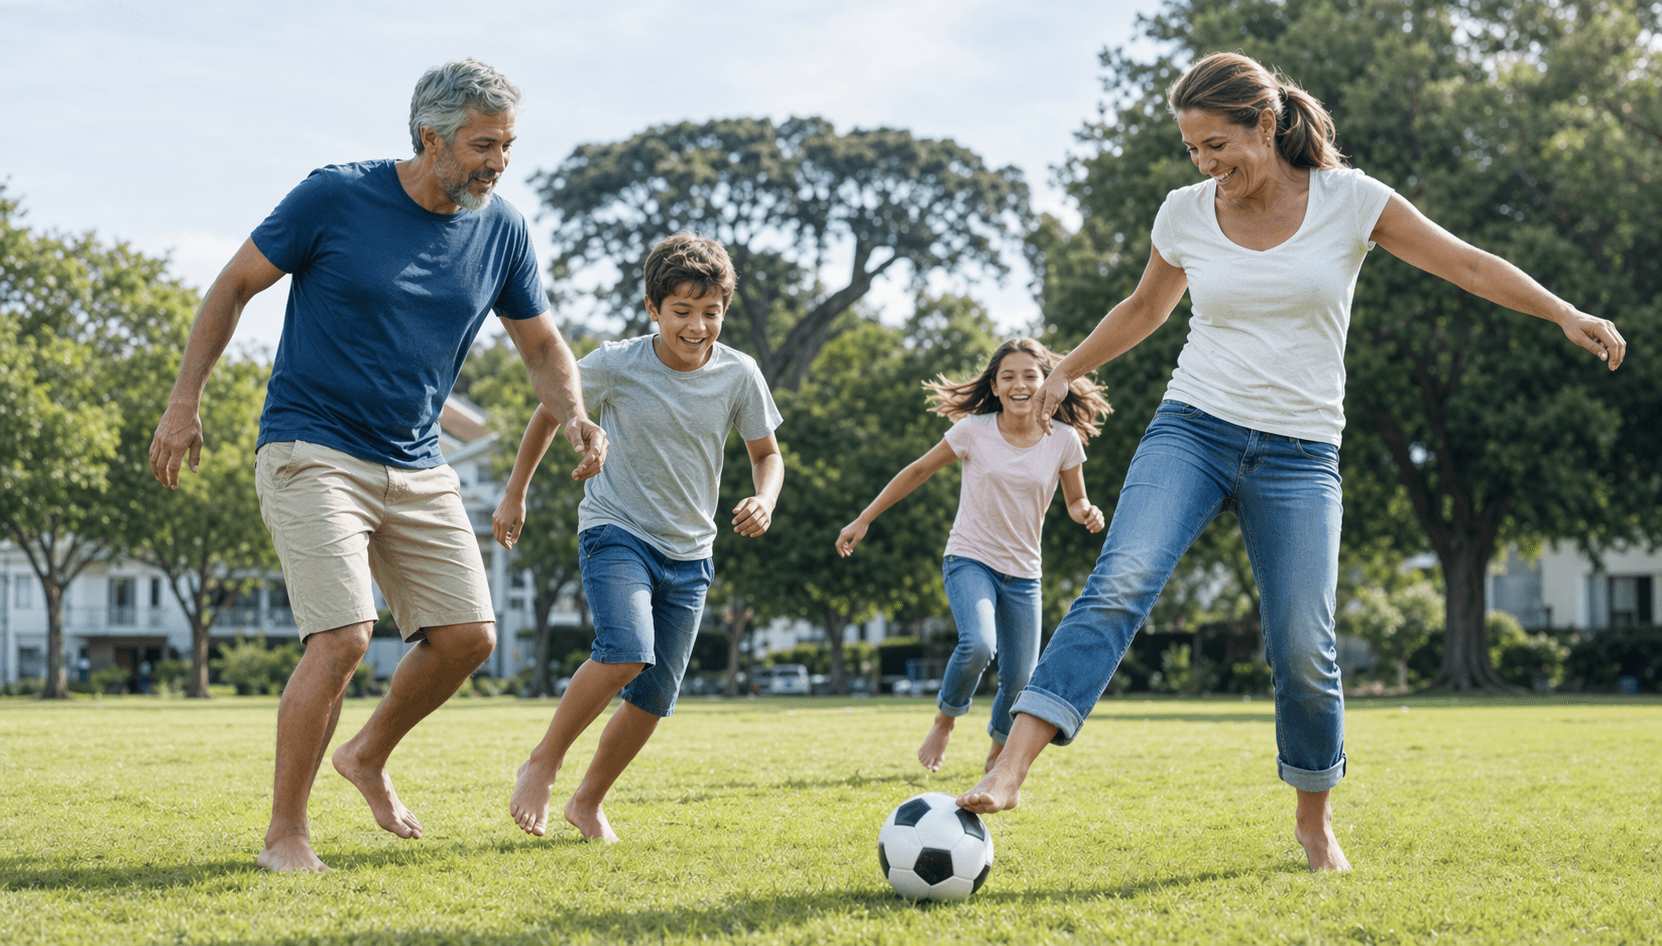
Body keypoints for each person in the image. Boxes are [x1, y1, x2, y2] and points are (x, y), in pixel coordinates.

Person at [955, 52, 1626, 872]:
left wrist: (1562, 312)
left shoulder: (1352, 201)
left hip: (1301, 452)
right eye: (1192, 149)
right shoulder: (1185, 212)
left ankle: (1314, 819)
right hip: (1193, 428)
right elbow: (1145, 307)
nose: (1205, 164)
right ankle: (1011, 766)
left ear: (1265, 125)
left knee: (1305, 641)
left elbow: (1467, 262)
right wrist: (1064, 370)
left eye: (1217, 145)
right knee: (1120, 582)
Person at [147, 60, 608, 872]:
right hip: (312, 447)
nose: (498, 162)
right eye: (482, 145)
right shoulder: (335, 196)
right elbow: (233, 286)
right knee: (343, 637)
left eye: (507, 145)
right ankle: (286, 834)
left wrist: (572, 411)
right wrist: (184, 402)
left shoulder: (501, 230)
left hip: (417, 459)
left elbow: (541, 345)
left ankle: (365, 754)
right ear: (431, 138)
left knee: (468, 637)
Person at [494, 232, 783, 842]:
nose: (697, 326)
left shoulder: (740, 373)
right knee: (626, 650)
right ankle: (543, 762)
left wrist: (765, 498)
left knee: (653, 697)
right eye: (682, 311)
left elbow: (767, 454)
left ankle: (587, 803)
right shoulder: (616, 363)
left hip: (692, 552)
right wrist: (515, 493)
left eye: (711, 312)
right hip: (617, 529)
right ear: (653, 309)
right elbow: (549, 409)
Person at [835, 338, 1110, 773]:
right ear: (995, 387)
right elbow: (919, 470)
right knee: (979, 643)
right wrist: (864, 518)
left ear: (1048, 382)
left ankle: (998, 753)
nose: (1020, 385)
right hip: (970, 558)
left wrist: (1087, 512)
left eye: (1030, 376)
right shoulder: (973, 431)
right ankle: (945, 720)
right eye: (1008, 377)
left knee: (1021, 678)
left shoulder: (1063, 439)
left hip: (1024, 573)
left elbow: (1076, 501)